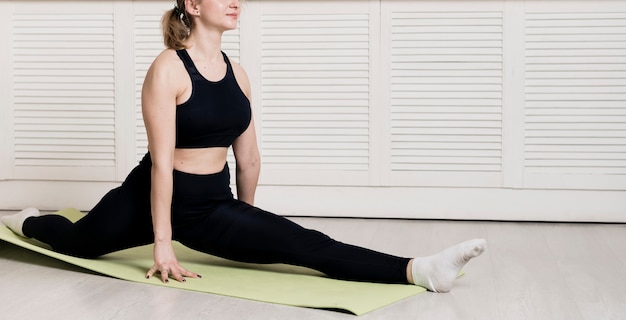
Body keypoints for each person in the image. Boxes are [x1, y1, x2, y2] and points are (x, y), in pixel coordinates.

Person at [1, 0, 486, 293]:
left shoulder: (238, 73)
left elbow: (248, 157)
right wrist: (164, 247)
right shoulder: (168, 67)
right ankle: (25, 220)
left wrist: (247, 221)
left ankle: (420, 270)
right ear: (192, 4)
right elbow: (162, 167)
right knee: (77, 241)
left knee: (305, 244)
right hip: (145, 201)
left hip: (213, 203)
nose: (236, 1)